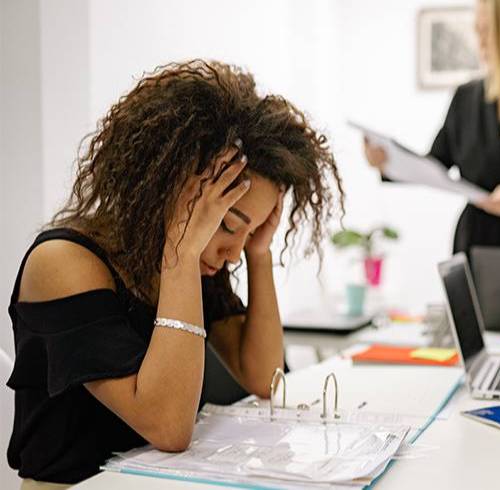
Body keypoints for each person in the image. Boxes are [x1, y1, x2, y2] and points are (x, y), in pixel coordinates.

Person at [5, 60, 344, 488]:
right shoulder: (63, 263)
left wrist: (259, 252)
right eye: (227, 224)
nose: (233, 252)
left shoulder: (199, 264)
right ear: (174, 189)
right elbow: (168, 428)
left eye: (252, 231)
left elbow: (261, 377)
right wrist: (181, 254)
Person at [364, 0, 500, 256]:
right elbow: (435, 164)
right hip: (475, 245)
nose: (479, 41)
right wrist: (388, 162)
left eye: (486, 31)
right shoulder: (464, 99)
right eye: (477, 30)